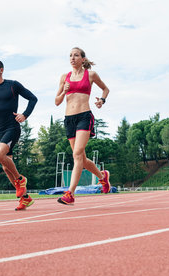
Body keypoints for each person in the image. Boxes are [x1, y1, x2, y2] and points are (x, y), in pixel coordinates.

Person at [0, 59, 38, 210]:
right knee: (5, 167)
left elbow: (33, 98)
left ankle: (20, 179)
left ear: (1, 70)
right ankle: (25, 198)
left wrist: (24, 115)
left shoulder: (12, 85)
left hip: (12, 128)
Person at [55, 47, 110, 205]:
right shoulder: (64, 77)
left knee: (77, 154)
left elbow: (106, 89)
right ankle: (102, 177)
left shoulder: (90, 75)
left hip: (84, 116)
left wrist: (102, 100)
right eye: (70, 55)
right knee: (82, 158)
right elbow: (56, 102)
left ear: (83, 59)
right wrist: (63, 92)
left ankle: (70, 193)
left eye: (76, 55)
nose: (72, 58)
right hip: (69, 119)